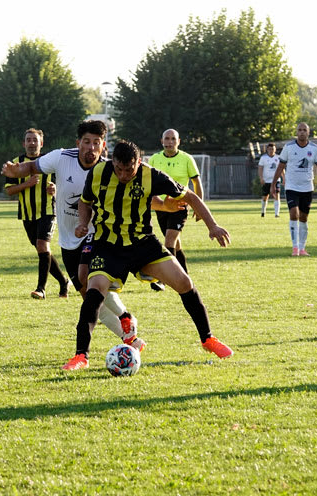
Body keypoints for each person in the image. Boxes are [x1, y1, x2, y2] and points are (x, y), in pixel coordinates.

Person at [2, 120, 174, 355]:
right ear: (78, 143)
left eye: (96, 143)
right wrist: (15, 171)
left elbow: (138, 193)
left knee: (91, 283)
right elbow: (31, 166)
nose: (91, 148)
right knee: (88, 296)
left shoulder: (111, 168)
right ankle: (130, 337)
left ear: (103, 146)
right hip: (68, 239)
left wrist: (164, 205)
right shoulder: (61, 158)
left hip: (98, 235)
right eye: (86, 142)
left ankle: (121, 319)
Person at [63, 140, 233, 371]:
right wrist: (83, 223)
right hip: (107, 244)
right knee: (94, 291)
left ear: (139, 162)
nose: (123, 175)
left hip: (142, 243)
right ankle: (81, 356)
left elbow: (191, 197)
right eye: (119, 169)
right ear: (113, 162)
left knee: (184, 282)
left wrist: (212, 226)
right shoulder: (99, 172)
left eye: (129, 170)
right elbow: (85, 202)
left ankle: (208, 339)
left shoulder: (151, 175)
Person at [4, 128, 69, 299]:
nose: (32, 143)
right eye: (29, 140)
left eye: (35, 140)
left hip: (48, 210)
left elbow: (66, 184)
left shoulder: (50, 163)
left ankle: (41, 289)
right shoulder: (16, 163)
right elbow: (9, 191)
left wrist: (55, 189)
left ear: (41, 143)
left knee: (42, 246)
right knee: (42, 250)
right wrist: (27, 184)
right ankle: (63, 281)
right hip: (27, 213)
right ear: (23, 143)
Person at [146, 129, 203, 291]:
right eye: (167, 139)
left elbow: (197, 183)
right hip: (161, 206)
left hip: (180, 206)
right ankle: (185, 276)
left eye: (173, 139)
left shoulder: (187, 159)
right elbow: (147, 182)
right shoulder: (154, 159)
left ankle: (163, 279)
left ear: (178, 141)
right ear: (162, 141)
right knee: (175, 244)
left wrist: (198, 207)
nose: (169, 142)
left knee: (169, 240)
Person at [270, 122, 317, 256]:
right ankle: (295, 247)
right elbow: (280, 166)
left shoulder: (314, 148)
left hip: (307, 187)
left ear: (308, 132)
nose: (302, 132)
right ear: (296, 132)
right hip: (291, 187)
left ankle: (302, 248)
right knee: (293, 214)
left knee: (303, 217)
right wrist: (273, 184)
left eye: (304, 130)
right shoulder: (289, 147)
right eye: (299, 130)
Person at [257, 142, 281, 218]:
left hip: (276, 180)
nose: (271, 151)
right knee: (265, 197)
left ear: (275, 149)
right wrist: (261, 178)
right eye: (270, 149)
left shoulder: (278, 158)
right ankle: (263, 211)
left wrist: (284, 178)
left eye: (272, 149)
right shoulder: (263, 158)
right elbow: (260, 168)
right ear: (267, 149)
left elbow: (281, 168)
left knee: (276, 195)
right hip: (266, 181)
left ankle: (277, 214)